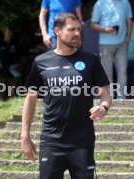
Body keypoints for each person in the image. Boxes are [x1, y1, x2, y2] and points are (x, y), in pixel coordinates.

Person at [21, 13, 112, 179]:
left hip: (82, 142)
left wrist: (103, 107)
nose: (77, 33)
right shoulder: (41, 62)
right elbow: (30, 99)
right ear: (57, 31)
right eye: (71, 29)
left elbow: (105, 94)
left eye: (79, 29)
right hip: (51, 142)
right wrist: (25, 135)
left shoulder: (90, 60)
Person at [91, 0, 132, 99]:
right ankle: (108, 97)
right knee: (106, 72)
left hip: (122, 43)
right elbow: (93, 24)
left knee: (122, 71)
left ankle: (122, 98)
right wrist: (105, 29)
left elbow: (129, 21)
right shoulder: (99, 3)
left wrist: (128, 37)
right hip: (105, 43)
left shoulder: (125, 2)